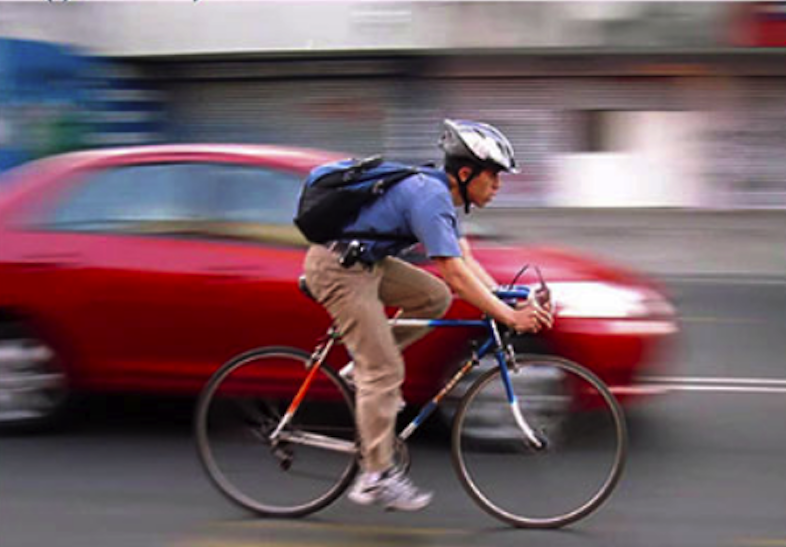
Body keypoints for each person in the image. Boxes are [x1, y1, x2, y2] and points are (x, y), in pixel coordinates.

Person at [302, 119, 554, 512]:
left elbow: (463, 263)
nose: (499, 186)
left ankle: (361, 367)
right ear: (466, 173)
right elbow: (454, 271)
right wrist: (508, 315)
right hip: (338, 268)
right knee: (385, 371)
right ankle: (374, 478)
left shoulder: (442, 195)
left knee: (435, 296)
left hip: (366, 264)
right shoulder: (431, 197)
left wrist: (506, 299)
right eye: (494, 177)